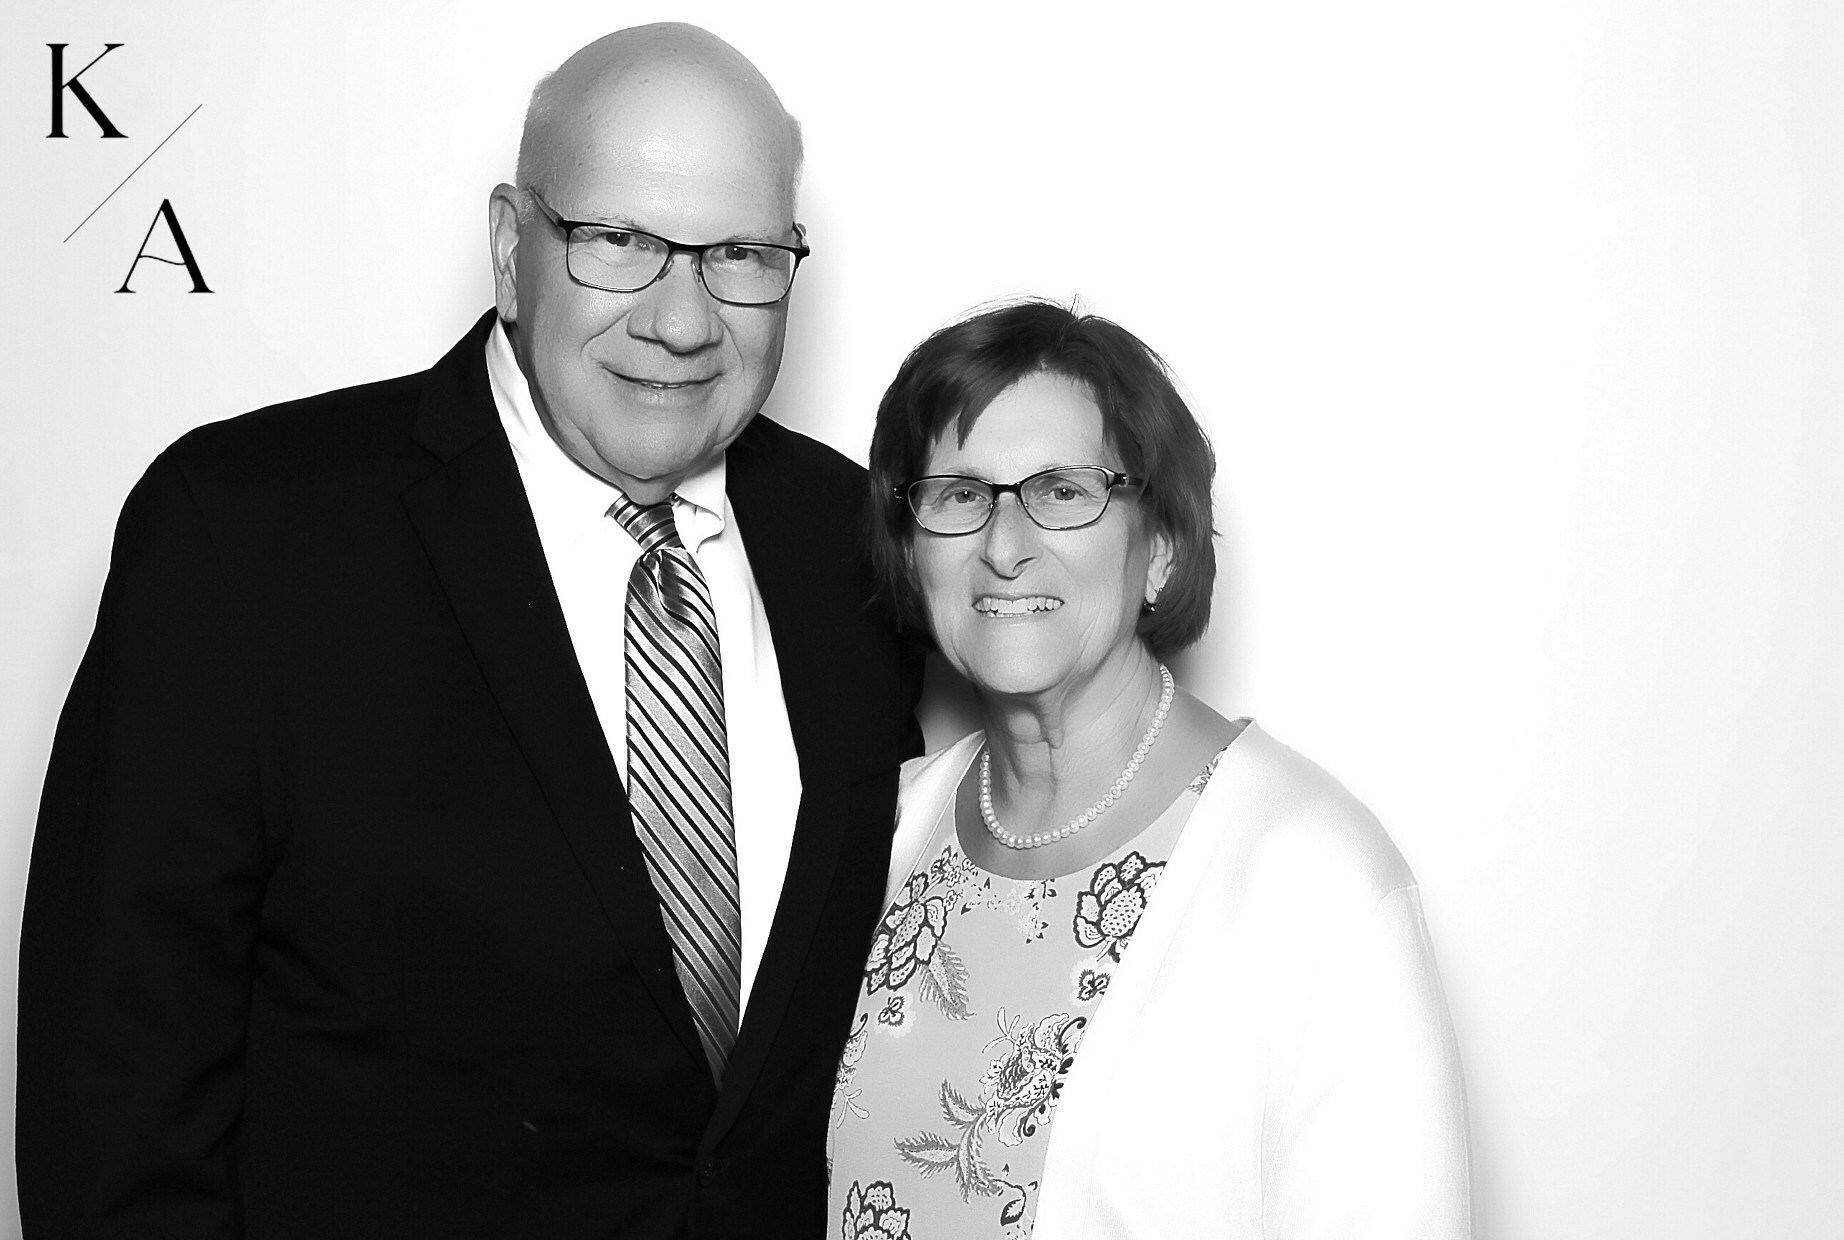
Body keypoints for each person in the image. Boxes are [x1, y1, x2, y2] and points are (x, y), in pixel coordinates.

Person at [17, 24, 921, 1240]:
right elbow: (114, 1113)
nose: (682, 319)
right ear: (509, 249)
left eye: (741, 256)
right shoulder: (243, 533)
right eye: (618, 241)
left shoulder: (856, 545)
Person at [827, 301, 1470, 1239]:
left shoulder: (1313, 878)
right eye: (961, 495)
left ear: (1161, 548)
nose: (1003, 547)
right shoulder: (888, 829)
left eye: (1063, 491)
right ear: (913, 549)